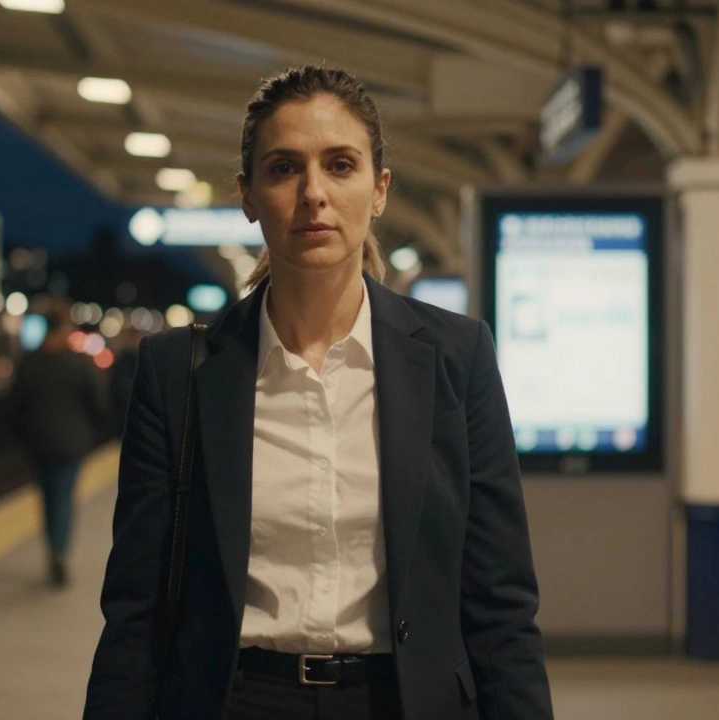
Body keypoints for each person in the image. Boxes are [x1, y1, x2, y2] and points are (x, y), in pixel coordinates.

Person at [85, 66, 553, 720]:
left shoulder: (456, 357)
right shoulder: (179, 372)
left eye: (340, 165)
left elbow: (501, 605)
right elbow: (135, 608)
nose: (313, 193)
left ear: (379, 189)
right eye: (283, 169)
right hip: (234, 701)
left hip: (406, 703)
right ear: (248, 197)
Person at [8, 301, 111, 588]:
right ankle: (59, 551)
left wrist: (24, 436)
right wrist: (90, 432)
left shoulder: (30, 362)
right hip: (71, 443)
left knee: (47, 497)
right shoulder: (79, 364)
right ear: (64, 328)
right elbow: (99, 404)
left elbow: (14, 406)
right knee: (64, 496)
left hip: (38, 442)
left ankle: (53, 548)